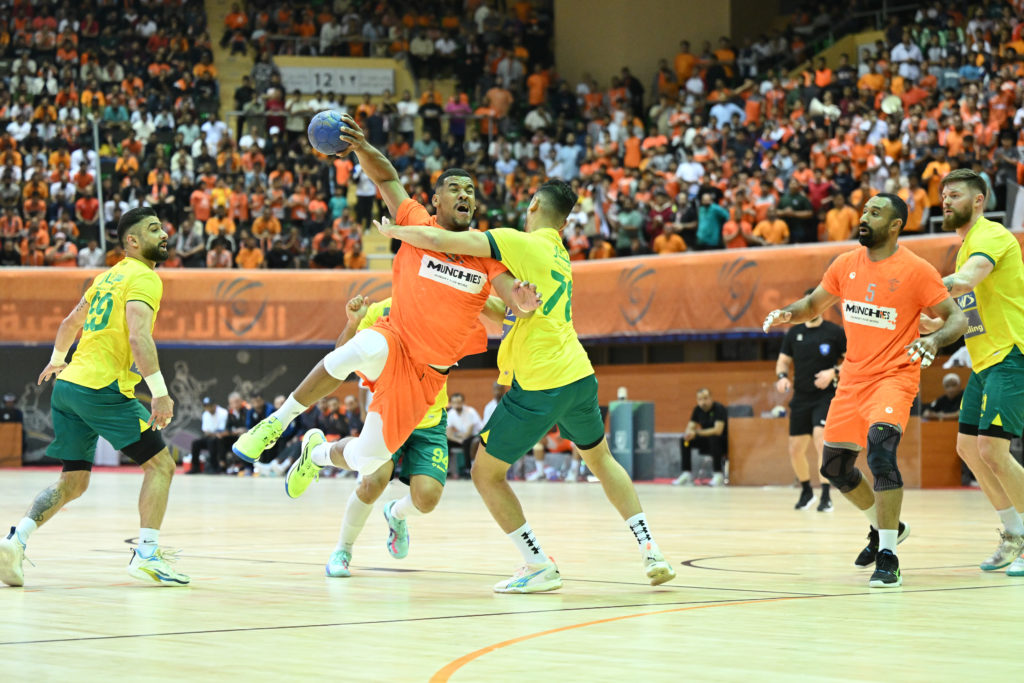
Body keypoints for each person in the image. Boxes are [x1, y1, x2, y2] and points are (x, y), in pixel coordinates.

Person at [378, 179, 675, 592]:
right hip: (579, 374)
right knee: (602, 460)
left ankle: (537, 563)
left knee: (486, 473)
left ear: (533, 204)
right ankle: (651, 550)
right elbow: (507, 307)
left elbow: (437, 238)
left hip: (540, 381)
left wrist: (396, 232)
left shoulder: (519, 242)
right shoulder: (559, 253)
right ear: (565, 223)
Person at [231, 114, 541, 491]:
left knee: (369, 459)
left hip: (427, 374)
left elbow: (512, 300)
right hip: (395, 339)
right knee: (353, 352)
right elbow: (386, 178)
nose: (465, 195)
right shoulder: (417, 222)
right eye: (455, 188)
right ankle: (276, 422)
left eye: (470, 191)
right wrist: (362, 146)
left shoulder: (486, 252)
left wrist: (524, 300)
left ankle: (316, 453)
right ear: (436, 200)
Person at [763, 193, 966, 588]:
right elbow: (812, 305)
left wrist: (934, 340)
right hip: (853, 380)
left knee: (880, 452)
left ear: (895, 225)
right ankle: (887, 527)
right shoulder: (845, 264)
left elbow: (956, 319)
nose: (864, 217)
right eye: (864, 211)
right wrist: (788, 313)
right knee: (834, 468)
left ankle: (888, 556)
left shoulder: (916, 270)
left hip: (894, 377)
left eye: (875, 212)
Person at [0, 207, 189, 587]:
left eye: (162, 228)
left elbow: (69, 323)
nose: (163, 234)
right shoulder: (144, 277)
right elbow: (139, 336)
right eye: (154, 229)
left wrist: (57, 361)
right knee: (161, 465)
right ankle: (147, 555)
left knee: (73, 482)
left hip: (68, 387)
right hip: (100, 388)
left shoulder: (105, 278)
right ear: (132, 241)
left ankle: (15, 540)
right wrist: (160, 394)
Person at [925, 168, 1024, 577]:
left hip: (1011, 354)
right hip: (984, 362)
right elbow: (968, 315)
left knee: (992, 450)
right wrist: (928, 324)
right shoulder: (965, 248)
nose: (946, 201)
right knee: (968, 448)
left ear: (978, 200)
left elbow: (967, 280)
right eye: (944, 196)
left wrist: (919, 290)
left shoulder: (991, 236)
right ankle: (1014, 533)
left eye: (955, 195)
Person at [324, 295, 453, 577]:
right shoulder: (379, 310)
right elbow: (340, 358)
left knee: (427, 499)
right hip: (390, 413)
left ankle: (396, 513)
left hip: (430, 420)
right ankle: (342, 550)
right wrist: (353, 323)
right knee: (372, 482)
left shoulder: (442, 305)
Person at [775, 289, 847, 511]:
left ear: (822, 306)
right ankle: (807, 491)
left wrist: (833, 372)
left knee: (820, 440)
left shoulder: (835, 332)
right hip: (801, 397)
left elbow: (852, 361)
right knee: (795, 448)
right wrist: (782, 377)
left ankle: (826, 495)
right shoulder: (794, 333)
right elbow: (783, 361)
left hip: (825, 397)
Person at [674, 389, 729, 486]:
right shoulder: (697, 410)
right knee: (685, 441)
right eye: (700, 399)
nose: (703, 402)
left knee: (714, 438)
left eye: (705, 398)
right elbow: (690, 427)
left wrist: (696, 432)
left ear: (711, 398)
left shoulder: (718, 408)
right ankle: (686, 473)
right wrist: (689, 434)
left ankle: (718, 474)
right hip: (706, 441)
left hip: (722, 443)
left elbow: (718, 430)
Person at [446, 392, 483, 478]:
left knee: (466, 442)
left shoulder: (470, 412)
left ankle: (468, 469)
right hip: (462, 438)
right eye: (454, 402)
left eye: (459, 402)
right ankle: (447, 469)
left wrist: (458, 436)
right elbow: (448, 434)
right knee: (446, 442)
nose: (457, 405)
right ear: (451, 403)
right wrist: (458, 439)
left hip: (476, 436)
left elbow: (468, 433)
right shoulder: (450, 414)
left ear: (463, 402)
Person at [190, 396, 228, 473]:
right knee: (195, 443)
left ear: (214, 405)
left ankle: (214, 467)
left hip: (221, 439)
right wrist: (212, 433)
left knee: (212, 441)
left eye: (210, 406)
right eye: (206, 406)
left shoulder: (223, 412)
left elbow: (221, 431)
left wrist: (212, 433)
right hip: (210, 437)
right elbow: (205, 431)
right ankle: (195, 467)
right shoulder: (205, 414)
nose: (208, 408)